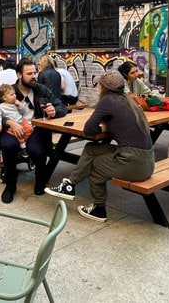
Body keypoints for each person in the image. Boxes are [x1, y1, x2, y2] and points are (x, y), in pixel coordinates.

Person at [45, 70, 154, 223]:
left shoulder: (108, 100)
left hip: (134, 164)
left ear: (105, 88)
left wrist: (102, 128)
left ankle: (98, 209)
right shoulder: (128, 100)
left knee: (95, 167)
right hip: (147, 161)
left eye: (99, 85)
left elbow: (89, 129)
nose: (97, 88)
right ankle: (69, 185)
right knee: (91, 149)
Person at [0, 58, 67, 203]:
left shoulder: (40, 89)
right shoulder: (8, 92)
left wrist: (54, 111)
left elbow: (62, 107)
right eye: (29, 73)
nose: (34, 76)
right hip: (12, 129)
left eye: (35, 73)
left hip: (35, 129)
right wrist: (9, 122)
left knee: (38, 150)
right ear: (19, 75)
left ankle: (40, 182)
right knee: (8, 145)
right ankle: (10, 185)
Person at [0, 84, 34, 158]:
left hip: (22, 121)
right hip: (11, 126)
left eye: (14, 93)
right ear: (4, 97)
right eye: (12, 95)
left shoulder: (15, 103)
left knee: (30, 129)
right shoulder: (1, 106)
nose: (15, 95)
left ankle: (24, 141)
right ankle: (23, 147)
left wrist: (20, 105)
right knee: (18, 135)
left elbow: (23, 112)